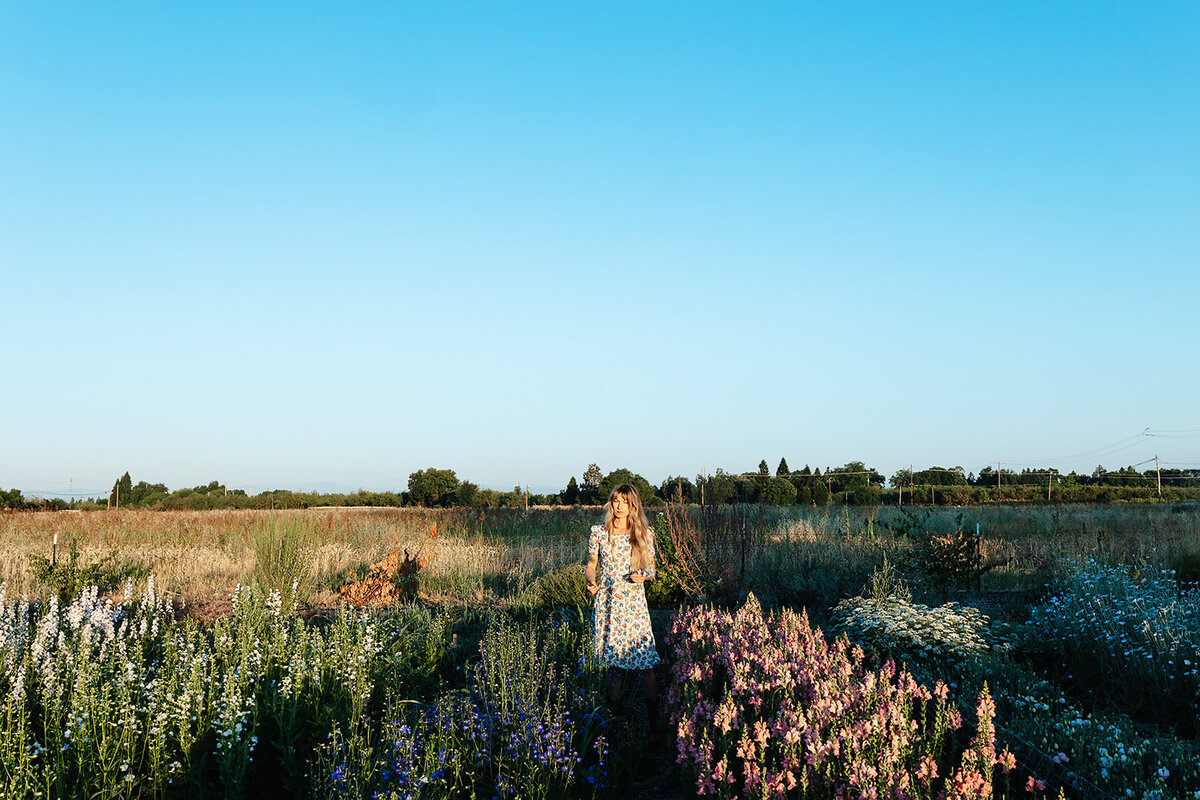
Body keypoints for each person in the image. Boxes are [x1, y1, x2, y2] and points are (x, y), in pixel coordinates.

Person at [585, 482, 659, 728]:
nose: (619, 506)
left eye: (625, 502)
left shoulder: (643, 534)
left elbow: (651, 569)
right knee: (612, 664)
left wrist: (645, 575)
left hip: (634, 605)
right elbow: (591, 564)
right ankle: (614, 719)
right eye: (616, 501)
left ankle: (653, 720)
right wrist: (591, 581)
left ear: (632, 506)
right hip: (608, 602)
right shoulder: (598, 532)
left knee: (645, 663)